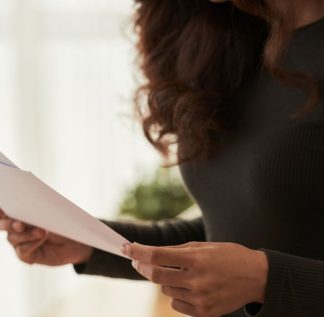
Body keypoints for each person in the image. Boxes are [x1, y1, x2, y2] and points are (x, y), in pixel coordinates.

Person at [1, 0, 324, 316]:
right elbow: (234, 232)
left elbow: (260, 261)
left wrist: (266, 279)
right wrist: (91, 242)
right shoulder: (234, 41)